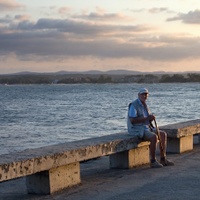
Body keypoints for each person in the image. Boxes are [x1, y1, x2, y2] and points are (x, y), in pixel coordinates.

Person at [127, 87, 174, 168]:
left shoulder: (145, 105)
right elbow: (132, 120)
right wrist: (147, 118)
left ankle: (163, 158)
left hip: (146, 127)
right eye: (142, 94)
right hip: (137, 129)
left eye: (146, 94)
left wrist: (151, 119)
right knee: (154, 137)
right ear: (138, 95)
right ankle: (153, 160)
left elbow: (147, 119)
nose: (144, 96)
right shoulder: (134, 105)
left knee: (162, 134)